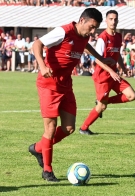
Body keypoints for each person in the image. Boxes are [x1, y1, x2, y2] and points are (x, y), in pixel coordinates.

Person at [29, 8, 115, 182]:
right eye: (91, 27)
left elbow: (85, 45)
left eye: (95, 28)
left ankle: (38, 148)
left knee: (69, 128)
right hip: (49, 84)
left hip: (66, 85)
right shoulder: (63, 31)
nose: (93, 32)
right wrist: (42, 66)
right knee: (51, 129)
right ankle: (47, 170)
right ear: (82, 20)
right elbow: (37, 44)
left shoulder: (84, 36)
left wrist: (100, 58)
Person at [79, 10, 135, 135]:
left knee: (132, 95)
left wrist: (123, 68)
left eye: (115, 19)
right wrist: (111, 71)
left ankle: (104, 100)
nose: (113, 21)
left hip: (114, 74)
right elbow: (97, 59)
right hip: (102, 77)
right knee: (102, 107)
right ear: (106, 21)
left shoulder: (118, 36)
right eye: (110, 19)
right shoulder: (103, 38)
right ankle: (83, 128)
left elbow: (118, 55)